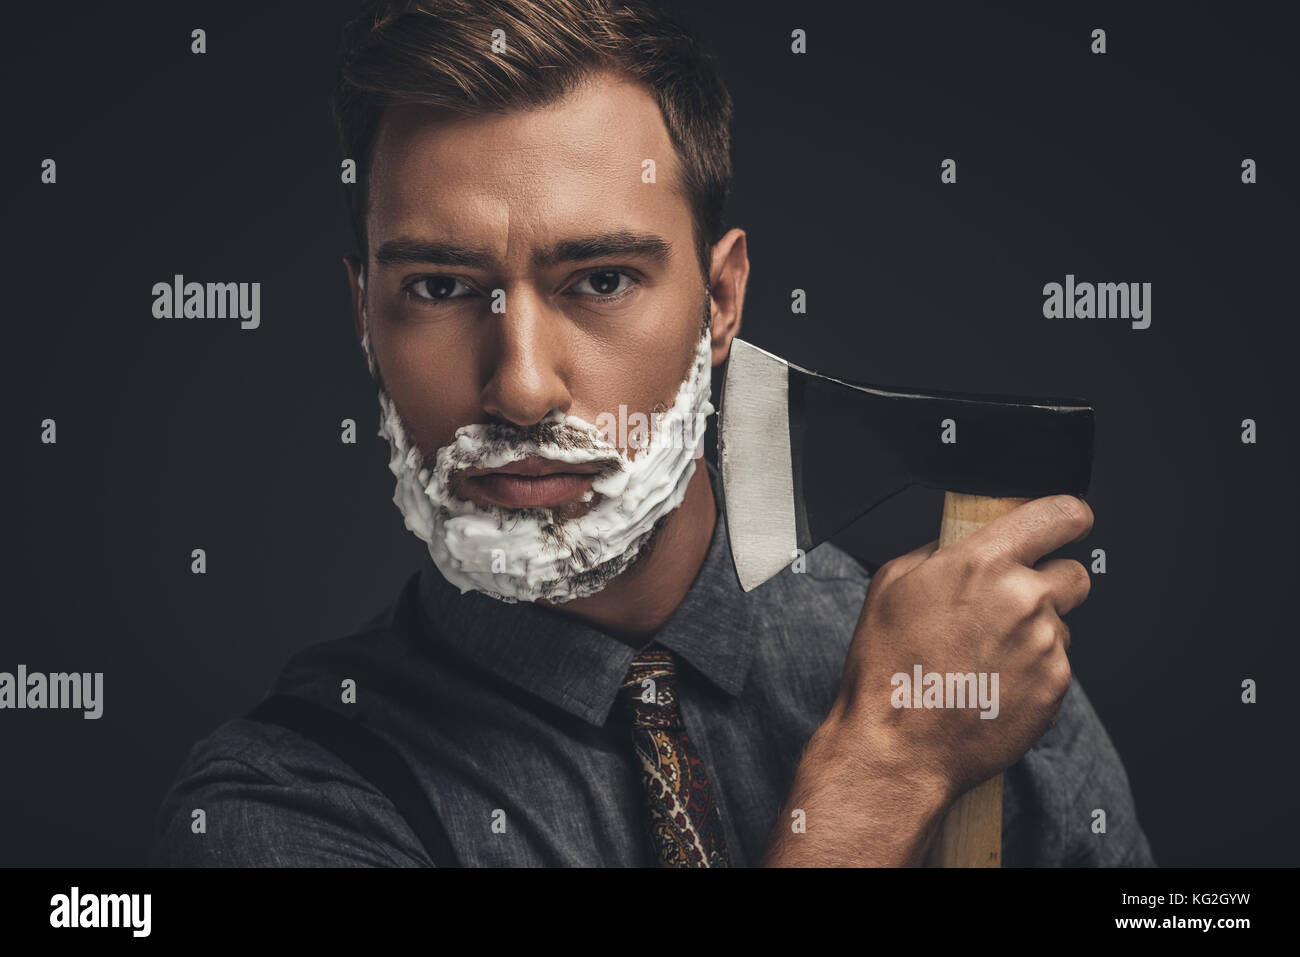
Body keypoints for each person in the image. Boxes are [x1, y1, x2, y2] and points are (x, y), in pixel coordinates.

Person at [150, 0, 1154, 867]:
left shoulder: (976, 668)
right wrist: (885, 772)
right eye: (443, 288)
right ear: (365, 316)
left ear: (720, 300)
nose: (522, 387)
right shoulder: (289, 799)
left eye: (600, 280)